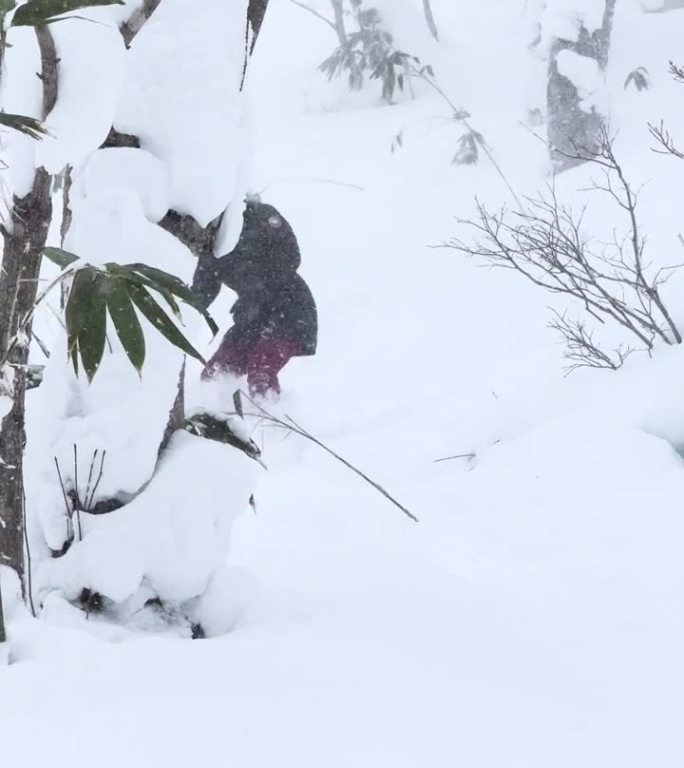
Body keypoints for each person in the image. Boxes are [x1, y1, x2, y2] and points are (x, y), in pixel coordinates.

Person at [192, 198, 318, 397]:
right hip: (251, 320)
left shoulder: (256, 216)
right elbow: (202, 292)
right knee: (215, 373)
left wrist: (259, 289)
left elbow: (291, 257)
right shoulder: (210, 247)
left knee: (260, 368)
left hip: (289, 312)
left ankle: (271, 420)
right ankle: (214, 416)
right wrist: (179, 315)